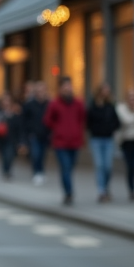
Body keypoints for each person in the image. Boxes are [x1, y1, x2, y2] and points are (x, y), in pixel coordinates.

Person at [43, 77, 86, 206]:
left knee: (70, 167)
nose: (67, 89)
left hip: (74, 142)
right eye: (65, 87)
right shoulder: (54, 104)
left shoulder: (78, 103)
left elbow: (82, 118)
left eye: (69, 86)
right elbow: (47, 120)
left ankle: (68, 189)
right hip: (60, 142)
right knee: (65, 167)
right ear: (60, 89)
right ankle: (69, 192)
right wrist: (58, 129)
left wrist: (78, 132)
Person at [87, 83, 120, 202]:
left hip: (108, 139)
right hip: (96, 139)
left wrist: (112, 129)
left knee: (108, 166)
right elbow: (88, 122)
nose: (106, 92)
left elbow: (117, 121)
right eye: (104, 90)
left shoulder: (111, 106)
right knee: (99, 165)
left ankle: (106, 187)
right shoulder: (93, 106)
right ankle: (101, 190)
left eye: (108, 90)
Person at [22, 81, 50, 185]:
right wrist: (26, 134)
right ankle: (36, 172)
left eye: (42, 90)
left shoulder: (49, 104)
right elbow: (24, 120)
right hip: (34, 134)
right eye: (39, 91)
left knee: (43, 155)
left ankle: (41, 172)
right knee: (36, 154)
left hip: (45, 134)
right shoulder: (29, 104)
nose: (41, 93)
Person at [0, 94, 25, 180]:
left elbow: (19, 127)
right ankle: (5, 170)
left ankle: (7, 171)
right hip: (1, 139)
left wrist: (21, 141)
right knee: (4, 156)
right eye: (5, 100)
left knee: (9, 155)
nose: (6, 103)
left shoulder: (15, 113)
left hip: (11, 139)